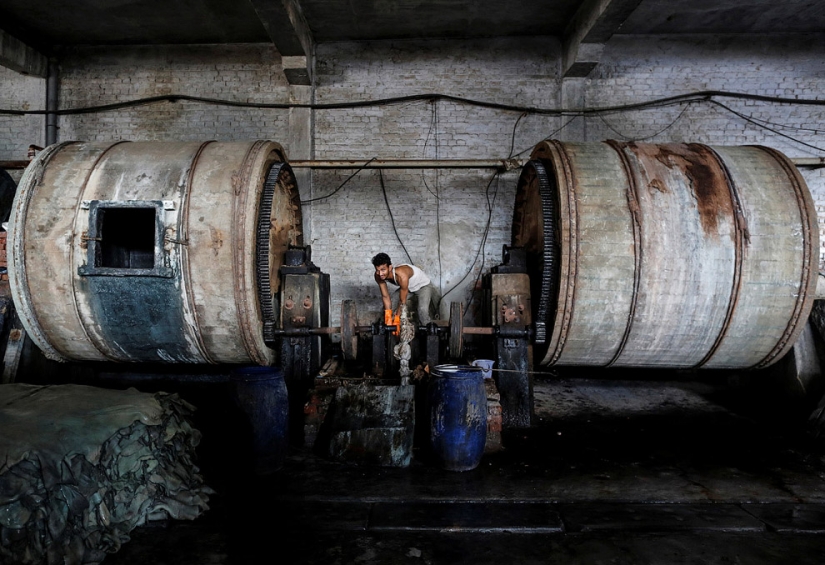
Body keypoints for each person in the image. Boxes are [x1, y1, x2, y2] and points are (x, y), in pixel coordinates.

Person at [372, 252, 441, 325]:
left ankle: (429, 331)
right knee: (388, 308)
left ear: (390, 268)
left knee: (422, 311)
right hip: (408, 287)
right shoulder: (378, 276)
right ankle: (385, 330)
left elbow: (402, 302)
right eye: (377, 270)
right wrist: (388, 318)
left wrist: (397, 318)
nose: (380, 274)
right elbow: (385, 297)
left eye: (383, 270)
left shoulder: (401, 275)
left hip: (423, 286)